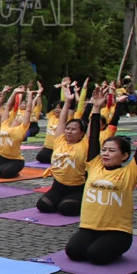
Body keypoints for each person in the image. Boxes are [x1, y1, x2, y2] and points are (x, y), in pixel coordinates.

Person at [65, 87, 137, 265]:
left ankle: (116, 248)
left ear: (124, 156)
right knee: (74, 252)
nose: (105, 153)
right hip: (90, 228)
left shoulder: (130, 172)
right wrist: (96, 109)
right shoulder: (94, 165)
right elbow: (92, 140)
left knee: (95, 256)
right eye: (104, 150)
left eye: (111, 151)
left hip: (117, 231)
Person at [36, 79, 88, 216]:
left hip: (76, 187)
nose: (69, 131)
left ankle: (82, 199)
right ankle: (63, 200)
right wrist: (67, 102)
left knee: (66, 209)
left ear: (82, 133)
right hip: (58, 186)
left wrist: (95, 107)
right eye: (68, 129)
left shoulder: (85, 144)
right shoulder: (60, 140)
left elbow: (91, 124)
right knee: (43, 206)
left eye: (74, 130)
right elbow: (62, 121)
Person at [0, 86, 36, 179]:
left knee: (3, 173)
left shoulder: (22, 128)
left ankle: (15, 172)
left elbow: (28, 110)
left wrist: (30, 96)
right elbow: (7, 107)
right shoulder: (4, 124)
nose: (17, 119)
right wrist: (14, 92)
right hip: (2, 157)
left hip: (16, 160)